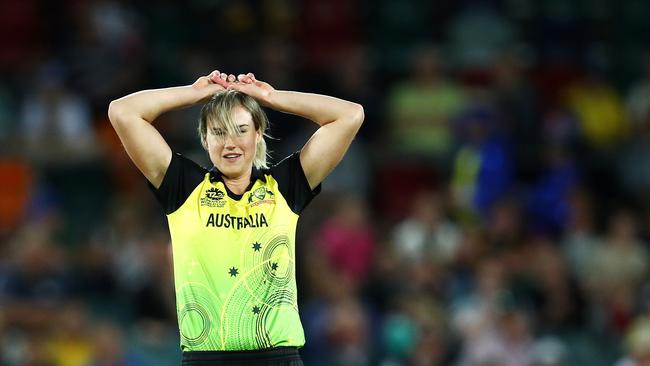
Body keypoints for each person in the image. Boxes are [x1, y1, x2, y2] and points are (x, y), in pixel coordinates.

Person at [107, 70, 364, 365]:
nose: (230, 142)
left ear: (258, 134)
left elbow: (350, 115)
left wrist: (272, 98)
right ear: (204, 137)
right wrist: (195, 93)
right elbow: (123, 111)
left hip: (277, 358)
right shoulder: (183, 188)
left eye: (241, 129)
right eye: (218, 132)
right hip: (206, 358)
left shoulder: (284, 187)